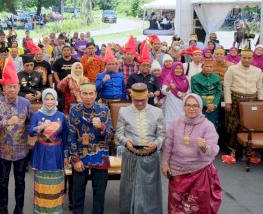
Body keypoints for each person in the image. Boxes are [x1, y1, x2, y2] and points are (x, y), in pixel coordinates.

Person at [162, 94, 222, 214]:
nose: (191, 108)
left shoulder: (207, 125)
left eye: (195, 105)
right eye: (188, 105)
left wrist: (204, 147)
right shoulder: (176, 123)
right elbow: (168, 145)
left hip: (200, 172)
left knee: (196, 207)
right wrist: (165, 164)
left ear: (200, 107)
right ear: (183, 106)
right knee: (176, 205)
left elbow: (213, 150)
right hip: (177, 172)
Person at [0, 56, 33, 214]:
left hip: (21, 150)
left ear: (19, 88)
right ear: (3, 89)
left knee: (20, 183)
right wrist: (5, 122)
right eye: (8, 87)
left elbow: (30, 123)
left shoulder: (26, 104)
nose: (11, 89)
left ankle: (19, 210)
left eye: (14, 86)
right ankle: (3, 210)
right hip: (2, 151)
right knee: (2, 183)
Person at [116, 83, 166, 214]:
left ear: (147, 97)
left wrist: (155, 144)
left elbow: (162, 134)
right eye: (136, 100)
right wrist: (126, 142)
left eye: (142, 101)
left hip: (151, 156)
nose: (139, 104)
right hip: (131, 156)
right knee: (129, 188)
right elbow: (119, 134)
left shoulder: (157, 112)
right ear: (131, 97)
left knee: (150, 190)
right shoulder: (124, 111)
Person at [67, 83, 112, 214]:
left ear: (96, 94)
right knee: (78, 192)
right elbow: (71, 136)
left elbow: (110, 136)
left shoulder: (104, 110)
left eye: (91, 93)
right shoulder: (74, 110)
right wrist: (75, 159)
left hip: (100, 155)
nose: (88, 97)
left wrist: (101, 127)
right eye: (85, 94)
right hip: (81, 155)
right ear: (80, 95)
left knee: (99, 193)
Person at [29, 88, 68, 213]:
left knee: (56, 183)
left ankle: (56, 210)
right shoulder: (37, 115)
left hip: (57, 152)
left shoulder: (61, 116)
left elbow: (65, 137)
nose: (49, 102)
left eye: (52, 99)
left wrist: (66, 155)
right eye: (47, 99)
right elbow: (30, 132)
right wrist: (41, 127)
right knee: (42, 183)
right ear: (43, 100)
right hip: (42, 152)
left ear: (56, 100)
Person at [223, 48, 263, 154]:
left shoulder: (257, 70)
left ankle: (248, 148)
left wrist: (261, 103)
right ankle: (233, 148)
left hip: (252, 100)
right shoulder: (232, 69)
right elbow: (226, 86)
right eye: (244, 57)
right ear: (240, 57)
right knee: (234, 124)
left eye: (249, 58)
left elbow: (260, 88)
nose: (246, 60)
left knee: (250, 125)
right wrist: (228, 102)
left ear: (252, 58)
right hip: (236, 99)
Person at [127, 42, 161, 106]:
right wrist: (135, 93)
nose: (145, 67)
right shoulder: (133, 76)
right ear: (139, 66)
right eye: (143, 65)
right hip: (136, 102)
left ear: (150, 67)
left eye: (147, 65)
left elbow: (158, 91)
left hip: (150, 103)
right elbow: (128, 89)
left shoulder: (154, 77)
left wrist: (153, 94)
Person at [191, 59, 222, 127]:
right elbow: (196, 93)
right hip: (201, 105)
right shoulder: (195, 78)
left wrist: (214, 104)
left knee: (213, 125)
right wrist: (206, 104)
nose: (209, 68)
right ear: (202, 67)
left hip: (214, 105)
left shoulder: (216, 77)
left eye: (211, 66)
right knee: (200, 125)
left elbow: (218, 92)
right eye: (207, 66)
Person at [161, 62, 191, 128]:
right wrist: (169, 87)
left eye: (180, 68)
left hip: (183, 102)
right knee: (171, 123)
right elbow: (163, 91)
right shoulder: (168, 78)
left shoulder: (186, 78)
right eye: (176, 68)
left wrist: (185, 94)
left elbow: (189, 90)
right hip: (172, 104)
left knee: (183, 124)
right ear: (173, 69)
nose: (178, 70)